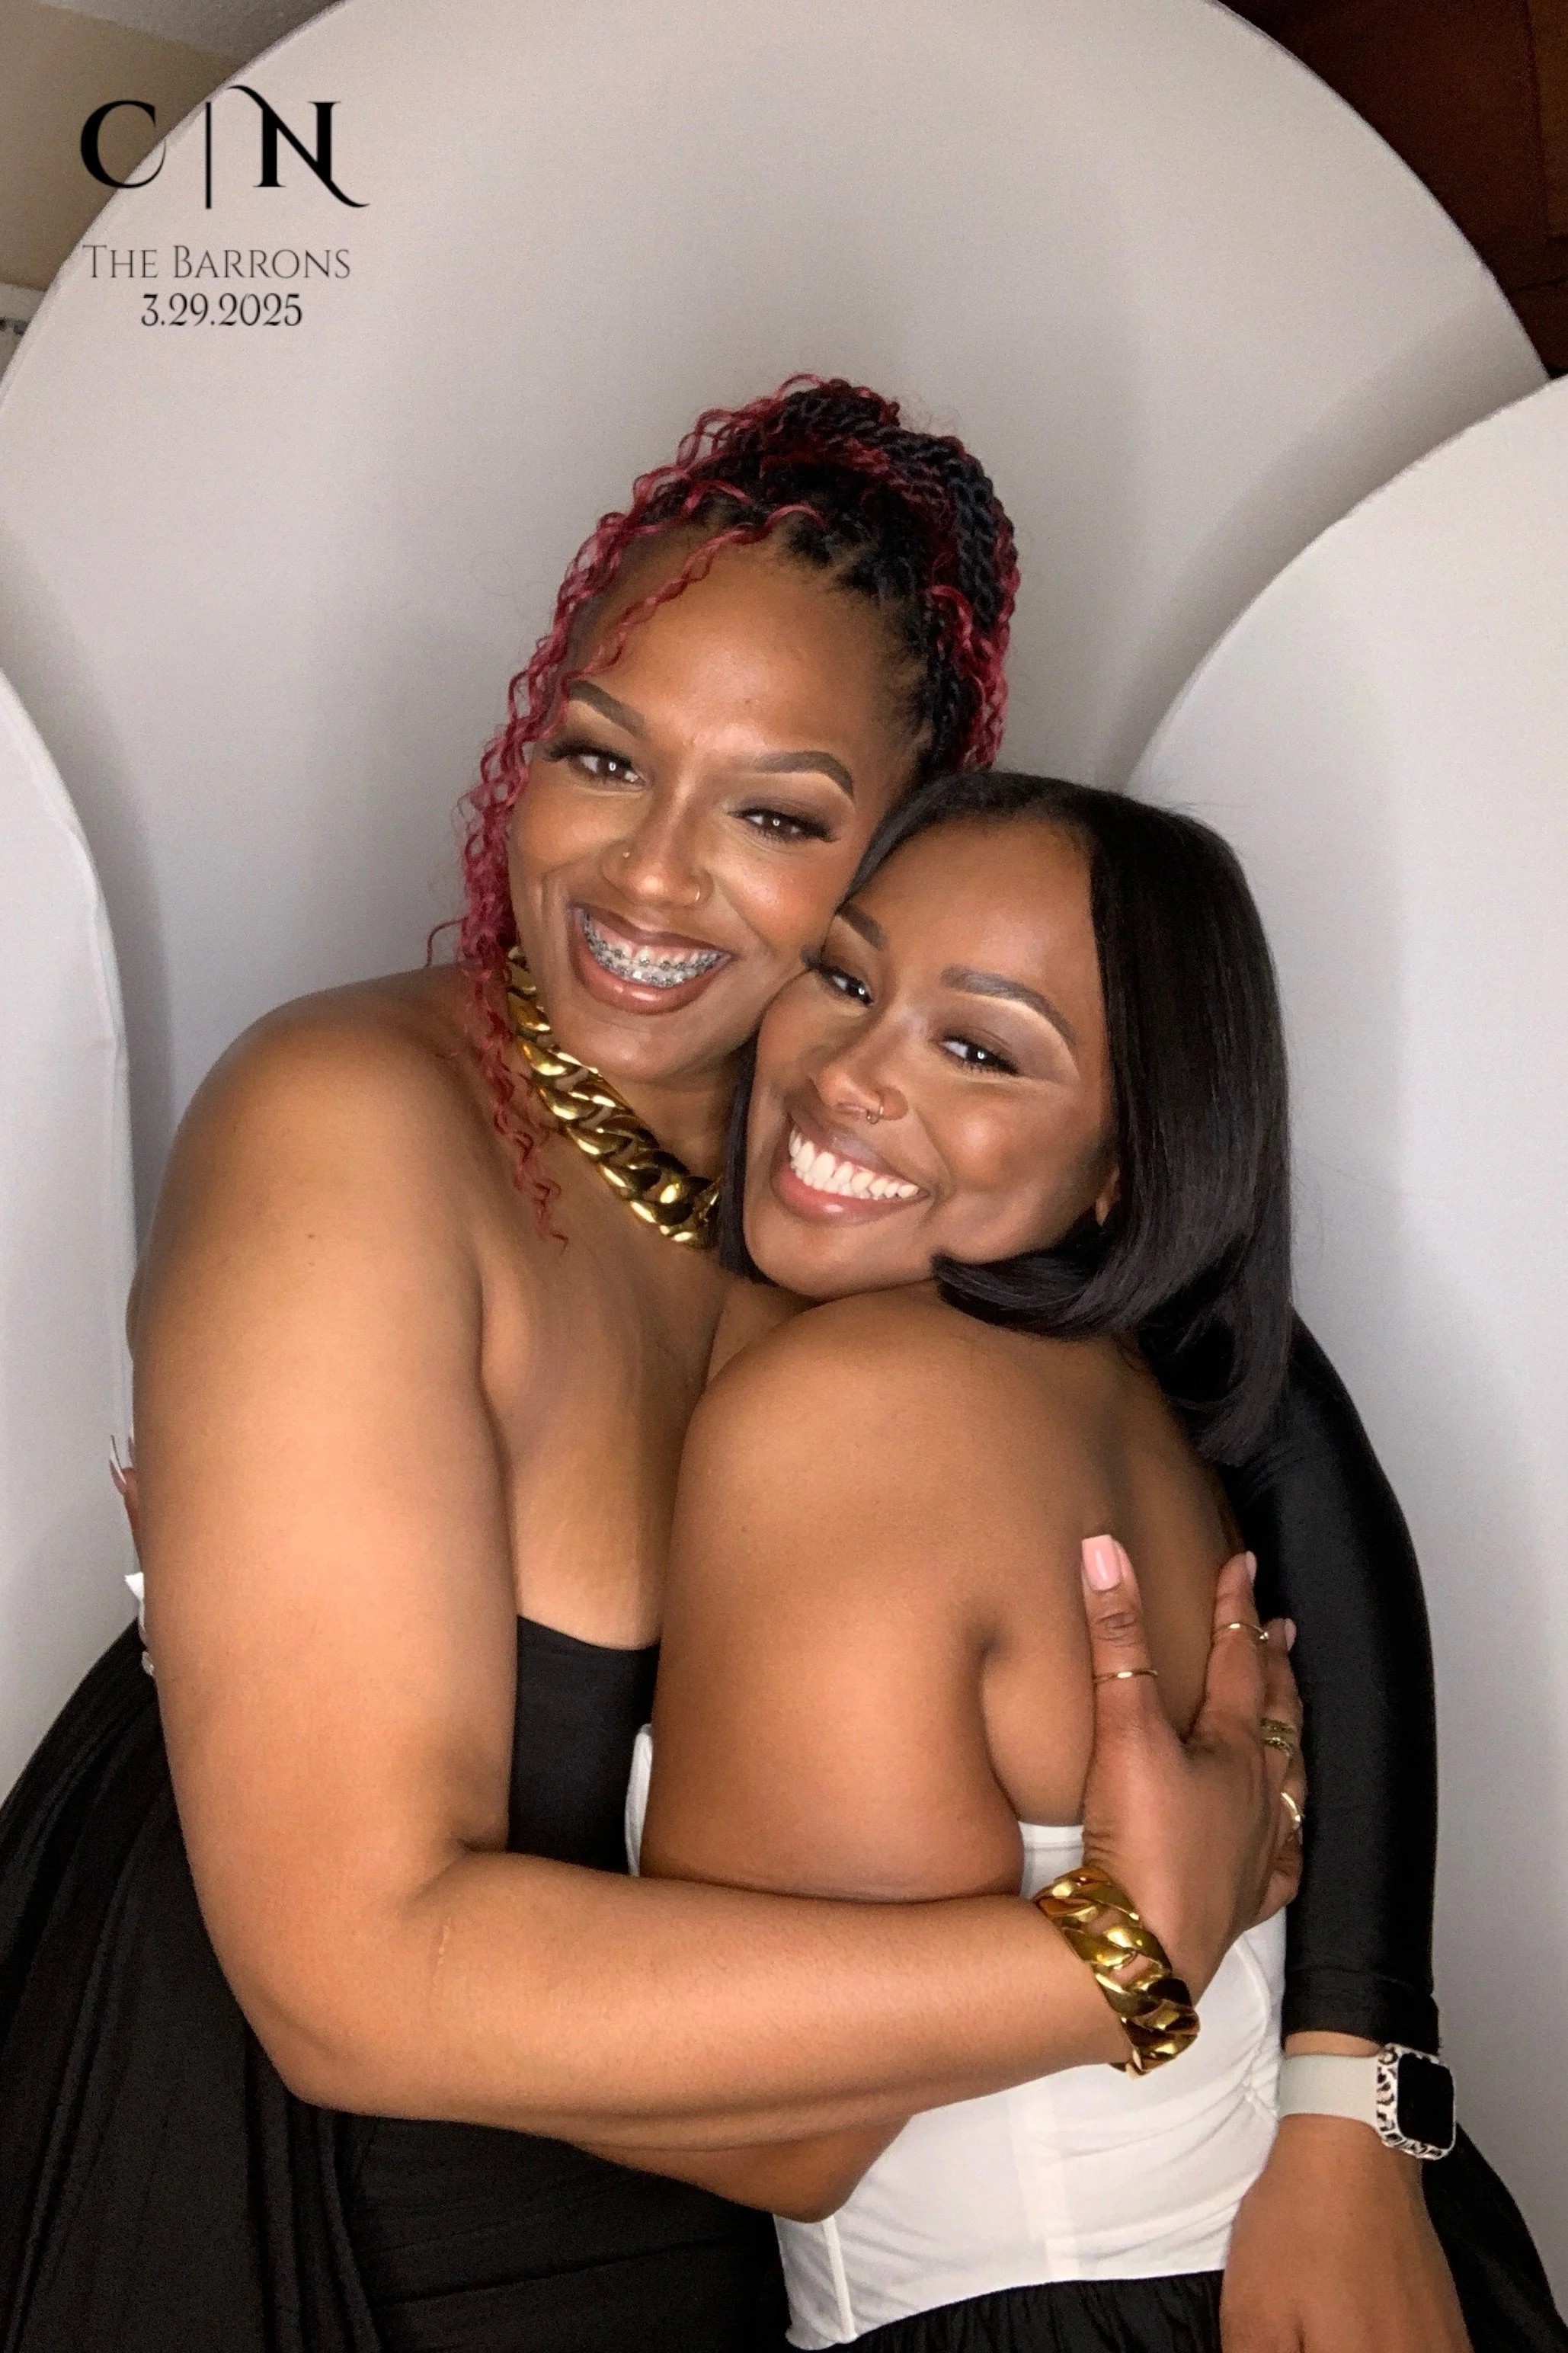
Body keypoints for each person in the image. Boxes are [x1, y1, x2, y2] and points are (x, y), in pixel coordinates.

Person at [0, 379, 1538, 2352]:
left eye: (779, 816)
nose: (646, 881)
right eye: (601, 756)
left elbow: (1290, 1453)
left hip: (719, 2238)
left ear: (912, 843)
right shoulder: (350, 1130)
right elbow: (348, 1981)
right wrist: (1110, 1962)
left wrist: (1350, 2085)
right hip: (290, 2215)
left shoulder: (864, 1180)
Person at [632, 768, 1510, 2347]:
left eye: (979, 1047)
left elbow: (774, 2132)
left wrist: (370, 1976)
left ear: (1122, 1164)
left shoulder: (852, 1410)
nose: (849, 1073)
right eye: (844, 973)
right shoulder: (1116, 1389)